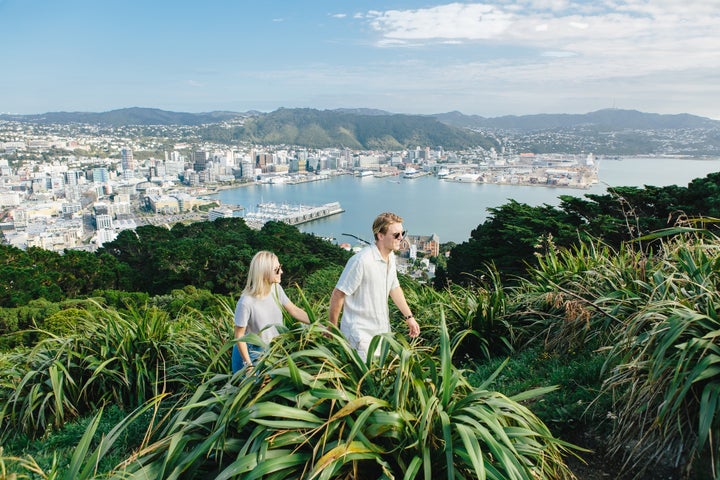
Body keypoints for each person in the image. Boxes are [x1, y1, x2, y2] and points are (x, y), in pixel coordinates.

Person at [329, 212, 420, 360]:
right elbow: (338, 294)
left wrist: (409, 317)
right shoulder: (361, 261)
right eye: (396, 235)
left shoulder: (390, 257)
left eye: (402, 233)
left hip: (381, 334)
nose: (401, 238)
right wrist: (331, 329)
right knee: (366, 381)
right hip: (360, 337)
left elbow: (394, 287)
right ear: (380, 236)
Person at [232, 250, 309, 374]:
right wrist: (249, 365)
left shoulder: (276, 289)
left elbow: (293, 310)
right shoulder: (246, 302)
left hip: (272, 349)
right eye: (277, 270)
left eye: (280, 268)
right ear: (263, 272)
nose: (281, 272)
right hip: (251, 353)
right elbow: (239, 336)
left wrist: (320, 324)